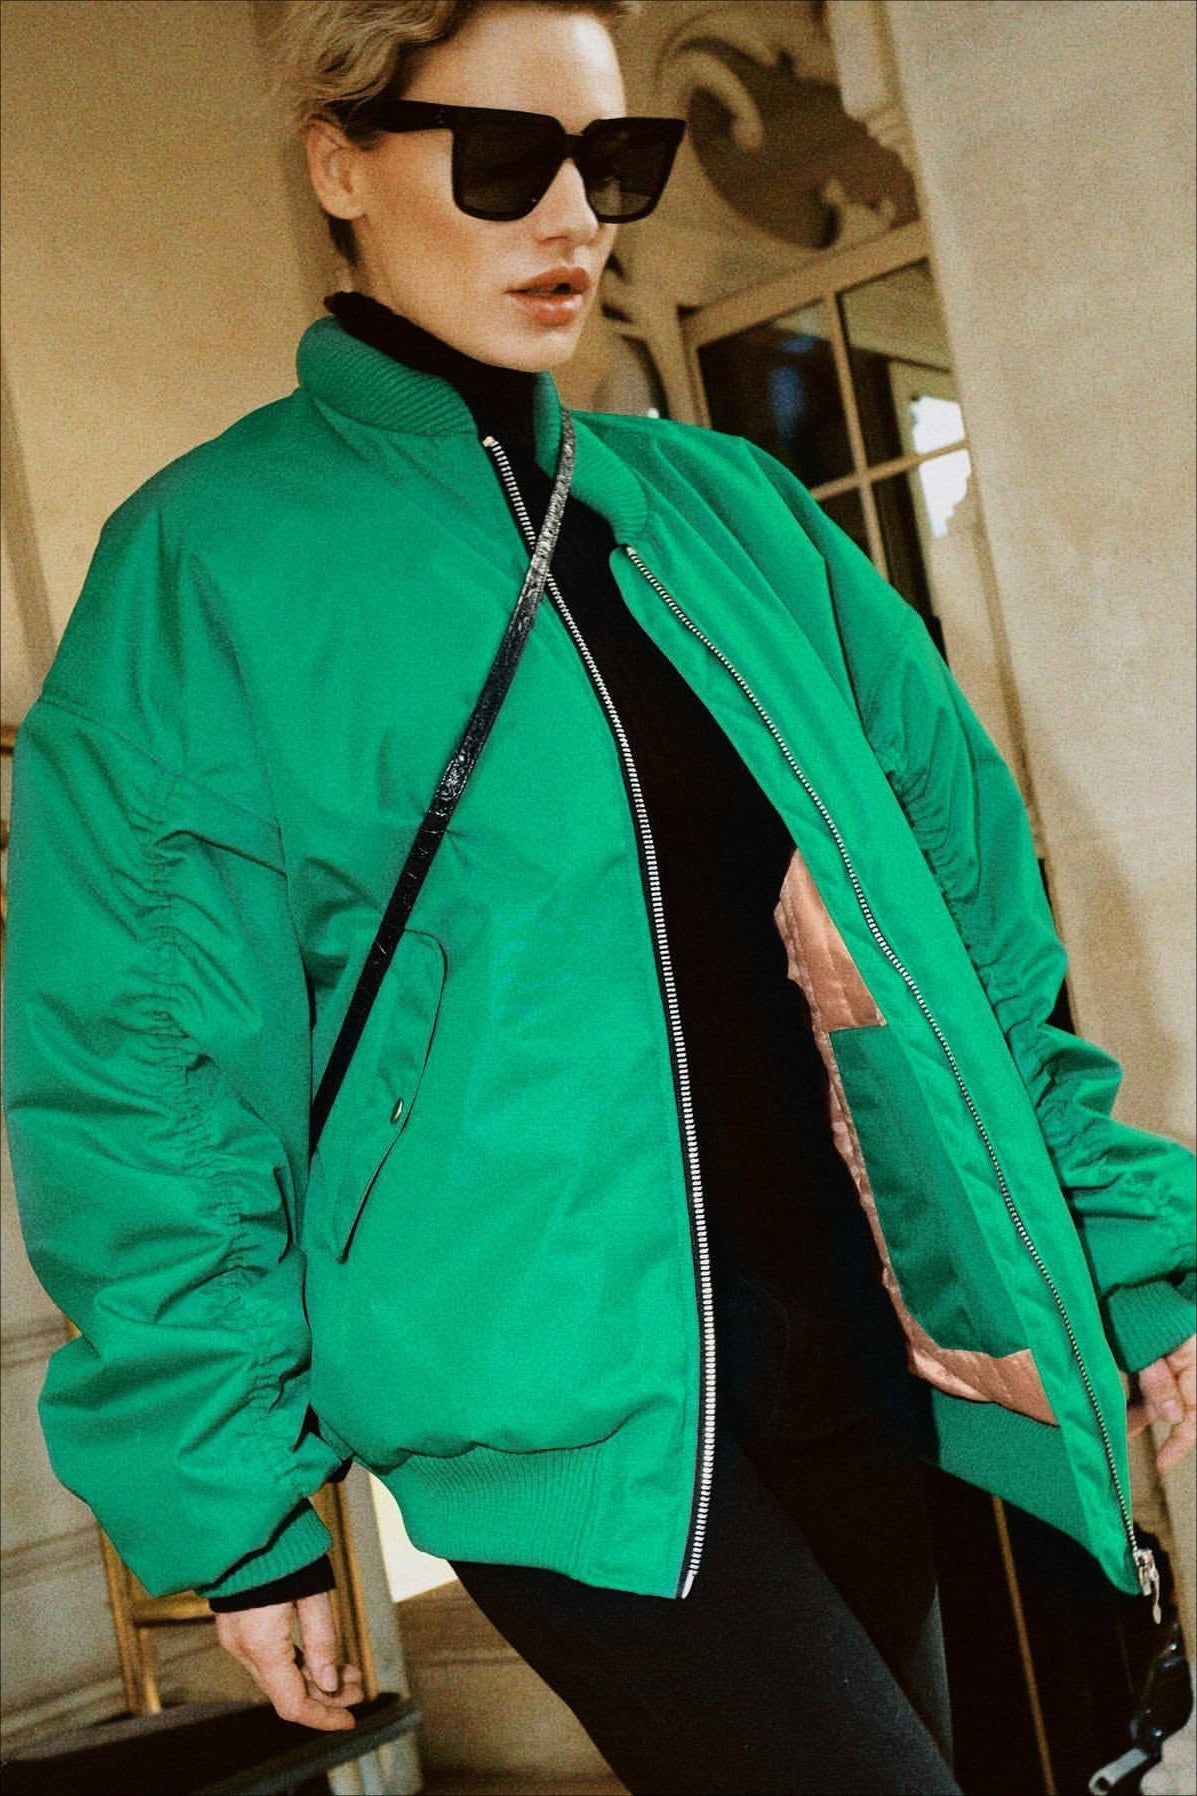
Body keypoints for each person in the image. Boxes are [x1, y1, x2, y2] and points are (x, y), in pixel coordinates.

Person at [3, 0, 1194, 1788]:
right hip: (546, 1406)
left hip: (859, 1350)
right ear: (340, 164)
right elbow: (148, 1066)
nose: (573, 219)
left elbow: (961, 928)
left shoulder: (731, 513)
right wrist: (231, 1492)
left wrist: (1103, 1245)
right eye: (503, 161)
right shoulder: (211, 560)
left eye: (610, 162)